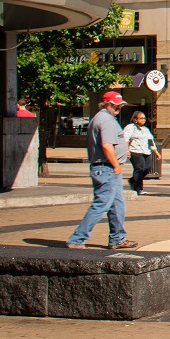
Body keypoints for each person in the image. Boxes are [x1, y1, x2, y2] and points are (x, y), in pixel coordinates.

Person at [67, 90, 138, 250]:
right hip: (106, 168)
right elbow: (107, 146)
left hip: (107, 168)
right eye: (116, 105)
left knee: (117, 205)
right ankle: (77, 238)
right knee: (102, 204)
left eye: (119, 105)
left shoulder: (105, 118)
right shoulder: (105, 120)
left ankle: (118, 238)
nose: (118, 108)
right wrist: (116, 166)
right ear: (109, 104)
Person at [124, 111, 158, 195]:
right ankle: (138, 188)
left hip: (146, 151)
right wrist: (127, 150)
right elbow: (125, 139)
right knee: (139, 168)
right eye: (141, 118)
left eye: (144, 118)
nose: (143, 120)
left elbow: (150, 141)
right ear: (135, 119)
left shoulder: (145, 129)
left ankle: (133, 180)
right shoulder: (130, 127)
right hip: (135, 151)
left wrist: (156, 152)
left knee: (148, 168)